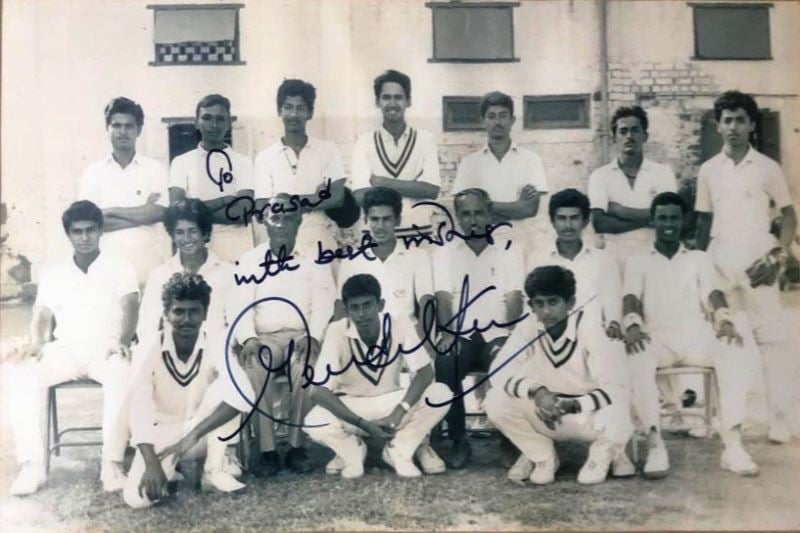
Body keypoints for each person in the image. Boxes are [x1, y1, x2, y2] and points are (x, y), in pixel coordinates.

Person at [5, 201, 138, 496]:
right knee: (21, 370)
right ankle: (32, 466)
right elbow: (41, 315)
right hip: (65, 350)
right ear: (69, 234)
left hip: (106, 350)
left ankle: (112, 464)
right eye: (78, 231)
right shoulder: (54, 273)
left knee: (122, 371)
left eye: (91, 230)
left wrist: (123, 341)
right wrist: (36, 344)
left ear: (100, 231)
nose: (85, 237)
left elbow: (131, 307)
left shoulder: (120, 266)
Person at [624, 192, 757, 477]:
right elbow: (631, 297)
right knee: (636, 355)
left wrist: (723, 319)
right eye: (662, 218)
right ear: (653, 221)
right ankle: (655, 444)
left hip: (695, 338)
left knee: (733, 347)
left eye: (674, 218)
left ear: (683, 221)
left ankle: (733, 445)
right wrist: (632, 325)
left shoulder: (699, 258)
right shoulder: (638, 260)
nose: (668, 224)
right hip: (657, 339)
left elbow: (713, 293)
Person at [695, 90, 798, 444]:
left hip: (759, 266)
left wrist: (777, 256)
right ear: (718, 126)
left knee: (772, 344)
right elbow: (703, 222)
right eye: (727, 121)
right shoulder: (708, 170)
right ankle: (718, 419)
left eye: (741, 120)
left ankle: (779, 421)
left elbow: (789, 217)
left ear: (752, 125)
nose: (734, 128)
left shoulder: (768, 168)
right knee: (723, 340)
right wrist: (698, 268)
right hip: (721, 265)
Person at [485, 266, 634, 485]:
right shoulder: (528, 326)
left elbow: (615, 387)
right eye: (539, 304)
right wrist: (537, 391)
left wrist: (572, 405)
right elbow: (498, 371)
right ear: (531, 306)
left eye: (553, 302)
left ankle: (601, 455)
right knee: (495, 400)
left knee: (620, 408)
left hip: (586, 416)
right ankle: (543, 456)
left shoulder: (589, 327)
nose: (546, 311)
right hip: (547, 413)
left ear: (570, 302)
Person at [123, 273, 255, 508]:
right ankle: (174, 470)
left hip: (200, 433)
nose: (186, 319)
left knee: (228, 386)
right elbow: (139, 410)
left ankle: (213, 469)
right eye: (178, 311)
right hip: (161, 434)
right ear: (166, 314)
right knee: (138, 499)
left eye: (194, 311)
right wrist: (151, 463)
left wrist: (188, 440)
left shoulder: (215, 342)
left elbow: (245, 393)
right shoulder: (148, 347)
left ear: (204, 314)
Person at [304, 274, 449, 478]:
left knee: (441, 393)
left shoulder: (399, 322)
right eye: (355, 307)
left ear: (380, 305)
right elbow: (317, 391)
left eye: (367, 305)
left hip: (390, 402)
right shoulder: (337, 330)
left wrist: (397, 413)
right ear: (346, 310)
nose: (362, 314)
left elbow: (425, 373)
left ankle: (399, 450)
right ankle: (352, 451)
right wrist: (363, 424)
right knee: (313, 422)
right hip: (352, 406)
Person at [234, 194, 335, 475]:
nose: (281, 224)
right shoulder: (250, 260)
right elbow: (239, 305)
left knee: (305, 367)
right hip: (264, 338)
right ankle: (267, 450)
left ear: (299, 221)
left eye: (288, 217)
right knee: (254, 365)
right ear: (265, 221)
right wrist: (248, 338)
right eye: (275, 217)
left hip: (301, 336)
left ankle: (295, 447)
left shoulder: (314, 259)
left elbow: (324, 303)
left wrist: (313, 337)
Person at [432, 188, 525, 469]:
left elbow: (515, 298)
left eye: (478, 213)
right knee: (446, 361)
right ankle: (459, 438)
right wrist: (447, 334)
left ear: (490, 214)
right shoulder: (445, 253)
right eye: (466, 214)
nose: (473, 220)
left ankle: (509, 437)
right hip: (461, 334)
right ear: (458, 217)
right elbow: (443, 298)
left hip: (497, 333)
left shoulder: (509, 251)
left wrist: (511, 335)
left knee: (508, 360)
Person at [78, 97, 170, 285]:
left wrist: (110, 211)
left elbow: (159, 213)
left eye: (129, 126)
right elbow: (89, 223)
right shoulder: (92, 173)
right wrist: (143, 214)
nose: (122, 132)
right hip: (106, 272)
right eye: (116, 125)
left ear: (139, 130)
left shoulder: (154, 169)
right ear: (107, 128)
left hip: (148, 268)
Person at [253, 79, 346, 253]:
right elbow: (261, 207)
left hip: (320, 241)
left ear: (310, 113)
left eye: (301, 108)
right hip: (281, 241)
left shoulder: (328, 150)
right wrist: (316, 198)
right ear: (279, 111)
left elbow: (336, 197)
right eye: (288, 107)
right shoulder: (265, 157)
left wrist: (282, 200)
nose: (294, 114)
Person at [451, 91, 549, 255]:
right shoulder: (469, 164)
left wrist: (483, 206)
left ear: (512, 120)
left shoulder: (531, 160)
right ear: (483, 121)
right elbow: (464, 209)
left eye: (503, 116)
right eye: (491, 116)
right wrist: (516, 206)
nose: (497, 122)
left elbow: (529, 209)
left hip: (522, 244)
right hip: (482, 246)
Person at [350, 69, 441, 241]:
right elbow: (360, 196)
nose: (392, 103)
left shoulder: (426, 140)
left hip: (419, 235)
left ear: (408, 101)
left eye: (398, 97)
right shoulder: (364, 142)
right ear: (377, 102)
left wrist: (381, 182)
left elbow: (431, 190)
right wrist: (413, 187)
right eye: (386, 97)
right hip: (376, 238)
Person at [588, 106, 677, 271]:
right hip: (614, 260)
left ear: (645, 136)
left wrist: (621, 211)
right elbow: (600, 223)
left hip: (654, 258)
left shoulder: (663, 173)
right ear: (614, 137)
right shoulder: (600, 176)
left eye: (635, 130)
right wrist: (650, 218)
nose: (629, 136)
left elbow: (668, 220)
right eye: (623, 131)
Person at [526, 188, 623, 340]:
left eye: (574, 218)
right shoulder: (538, 259)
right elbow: (532, 305)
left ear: (585, 222)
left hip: (595, 337)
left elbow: (612, 300)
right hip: (552, 339)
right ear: (552, 222)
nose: (568, 225)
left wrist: (613, 324)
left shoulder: (603, 259)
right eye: (561, 218)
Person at [169, 94, 255, 263]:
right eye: (207, 118)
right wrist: (224, 200)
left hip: (236, 249)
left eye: (220, 119)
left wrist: (194, 213)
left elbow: (243, 212)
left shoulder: (243, 162)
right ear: (196, 122)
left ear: (228, 123)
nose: (214, 125)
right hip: (195, 249)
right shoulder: (181, 162)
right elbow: (177, 211)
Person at [138, 199, 237, 340]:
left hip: (217, 348)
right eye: (179, 232)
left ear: (205, 233)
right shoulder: (159, 274)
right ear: (172, 236)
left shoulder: (229, 273)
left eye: (192, 231)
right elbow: (147, 326)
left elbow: (237, 324)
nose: (186, 238)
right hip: (171, 349)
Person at [335, 187, 434, 325]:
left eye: (387, 219)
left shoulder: (417, 256)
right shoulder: (351, 260)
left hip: (406, 335)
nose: (380, 226)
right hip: (365, 335)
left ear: (398, 220)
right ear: (366, 220)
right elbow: (341, 308)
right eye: (374, 219)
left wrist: (424, 337)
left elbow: (427, 302)